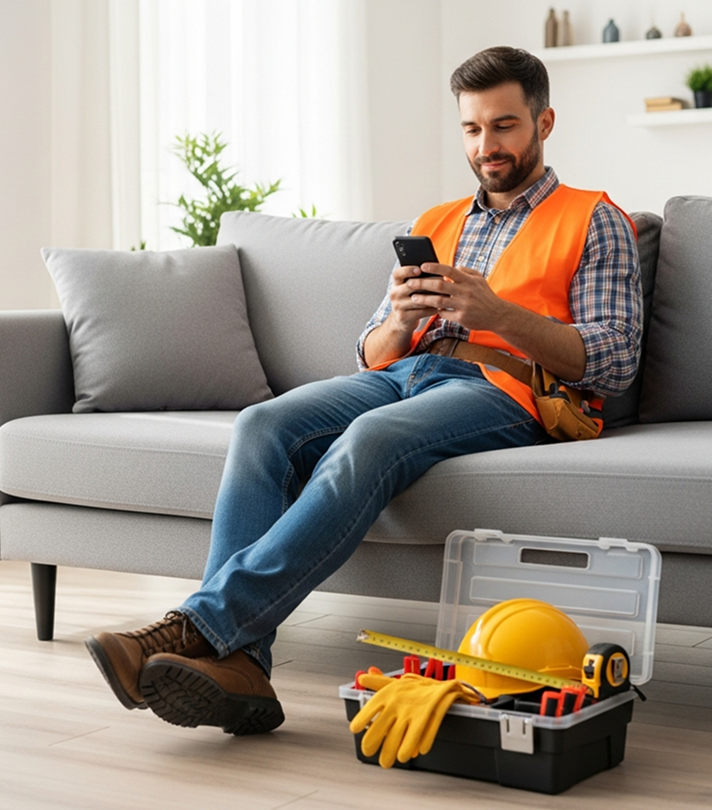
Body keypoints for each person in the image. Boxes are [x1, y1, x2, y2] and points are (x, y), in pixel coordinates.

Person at [84, 46, 642, 736]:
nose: (486, 146)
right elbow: (371, 350)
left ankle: (196, 628)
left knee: (370, 440)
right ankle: (243, 668)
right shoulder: (434, 223)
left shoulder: (596, 219)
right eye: (472, 129)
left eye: (504, 126)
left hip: (506, 389)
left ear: (544, 122)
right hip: (405, 373)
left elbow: (614, 363)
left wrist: (499, 315)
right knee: (261, 426)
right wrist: (404, 317)